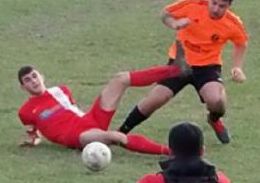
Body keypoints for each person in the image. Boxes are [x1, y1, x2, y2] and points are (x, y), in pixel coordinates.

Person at [119, 0, 248, 144]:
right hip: (180, 62)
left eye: (222, 6)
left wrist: (237, 67)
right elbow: (165, 14)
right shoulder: (192, 4)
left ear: (229, 6)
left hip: (207, 67)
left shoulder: (232, 23)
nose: (215, 9)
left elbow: (241, 43)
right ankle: (119, 133)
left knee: (216, 101)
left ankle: (214, 119)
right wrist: (174, 24)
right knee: (155, 99)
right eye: (213, 3)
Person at [17, 52, 193, 155]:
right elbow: (34, 134)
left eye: (34, 76)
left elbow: (72, 110)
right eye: (27, 80)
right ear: (23, 87)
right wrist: (33, 142)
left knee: (120, 79)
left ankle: (176, 70)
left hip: (89, 120)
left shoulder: (61, 90)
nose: (33, 81)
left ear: (42, 76)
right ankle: (172, 152)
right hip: (76, 136)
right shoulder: (26, 111)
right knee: (114, 137)